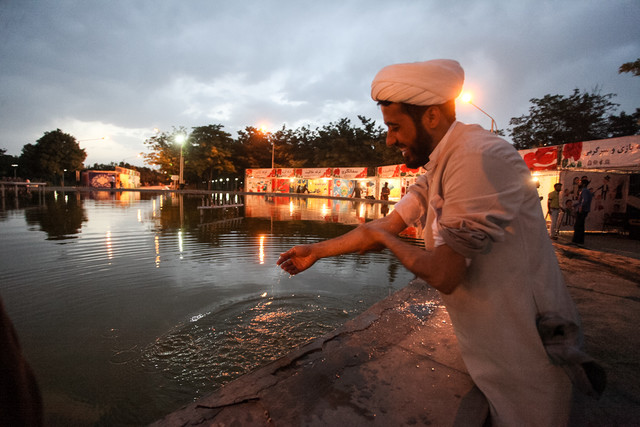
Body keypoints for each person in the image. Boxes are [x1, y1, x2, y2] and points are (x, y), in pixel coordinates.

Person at [278, 59, 596, 426]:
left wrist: (384, 239)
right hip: (491, 345)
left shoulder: (478, 156)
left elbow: (445, 273)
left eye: (395, 126)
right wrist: (316, 251)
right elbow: (388, 223)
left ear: (431, 117)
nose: (389, 139)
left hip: (529, 349)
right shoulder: (439, 168)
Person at [572, 176, 593, 246]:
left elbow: (585, 200)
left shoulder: (585, 191)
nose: (579, 183)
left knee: (579, 225)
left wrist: (581, 206)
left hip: (582, 210)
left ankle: (578, 240)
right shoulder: (585, 191)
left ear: (583, 184)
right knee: (579, 225)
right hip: (583, 209)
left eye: (580, 182)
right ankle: (578, 240)